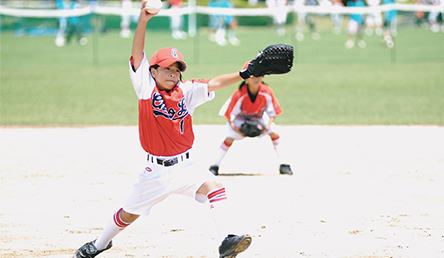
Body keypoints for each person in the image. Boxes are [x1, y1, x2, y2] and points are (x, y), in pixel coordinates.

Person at [72, 1, 253, 258]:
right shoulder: (146, 87)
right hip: (154, 171)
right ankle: (99, 244)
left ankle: (226, 240)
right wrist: (143, 20)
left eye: (176, 69)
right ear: (153, 70)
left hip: (186, 167)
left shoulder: (187, 91)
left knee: (215, 187)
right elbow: (137, 53)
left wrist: (244, 73)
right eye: (167, 68)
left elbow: (213, 83)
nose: (172, 73)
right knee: (129, 213)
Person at [208, 61, 293, 176]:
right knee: (229, 138)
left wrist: (266, 127)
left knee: (274, 133)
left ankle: (284, 164)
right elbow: (230, 115)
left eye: (259, 74)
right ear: (246, 78)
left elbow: (272, 114)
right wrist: (237, 130)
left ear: (263, 76)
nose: (256, 78)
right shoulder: (239, 94)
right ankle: (215, 165)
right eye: (253, 75)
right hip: (239, 119)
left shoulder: (267, 92)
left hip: (258, 118)